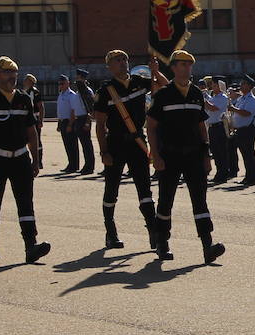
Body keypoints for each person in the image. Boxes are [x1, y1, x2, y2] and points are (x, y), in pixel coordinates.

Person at [146, 50, 225, 264]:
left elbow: (202, 127)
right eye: (182, 64)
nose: (186, 68)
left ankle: (207, 245)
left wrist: (207, 155)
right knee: (165, 200)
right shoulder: (163, 95)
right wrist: (155, 155)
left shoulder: (196, 94)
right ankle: (162, 242)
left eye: (189, 64)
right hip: (169, 155)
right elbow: (151, 127)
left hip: (194, 155)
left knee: (200, 201)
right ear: (173, 68)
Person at [0, 56, 50, 263]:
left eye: (14, 73)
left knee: (26, 203)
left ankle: (30, 246)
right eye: (7, 73)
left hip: (20, 159)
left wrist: (36, 159)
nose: (12, 77)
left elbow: (31, 131)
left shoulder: (25, 99)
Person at [92, 49, 159, 251]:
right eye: (117, 60)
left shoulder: (139, 81)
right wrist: (104, 152)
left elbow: (163, 88)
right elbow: (100, 125)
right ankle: (110, 232)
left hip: (138, 141)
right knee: (111, 189)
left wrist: (156, 71)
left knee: (144, 188)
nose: (122, 63)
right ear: (109, 67)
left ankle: (153, 231)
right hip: (116, 144)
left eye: (124, 59)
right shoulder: (106, 91)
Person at [229, 74, 255, 185]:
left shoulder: (251, 99)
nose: (241, 86)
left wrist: (233, 108)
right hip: (241, 129)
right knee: (245, 154)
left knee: (249, 154)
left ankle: (253, 177)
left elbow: (247, 113)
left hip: (248, 129)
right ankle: (248, 176)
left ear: (249, 86)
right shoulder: (241, 98)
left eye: (243, 84)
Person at [204, 77, 235, 182]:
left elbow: (214, 108)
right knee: (216, 152)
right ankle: (219, 172)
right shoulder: (214, 97)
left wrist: (203, 100)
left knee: (221, 151)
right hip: (212, 126)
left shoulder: (223, 97)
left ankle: (223, 173)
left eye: (214, 84)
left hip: (219, 126)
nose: (212, 86)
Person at [55, 75, 84, 173]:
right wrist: (59, 123)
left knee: (72, 144)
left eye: (62, 83)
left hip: (69, 121)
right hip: (63, 121)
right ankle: (70, 164)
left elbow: (73, 110)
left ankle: (74, 165)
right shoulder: (61, 94)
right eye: (59, 83)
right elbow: (60, 110)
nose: (60, 85)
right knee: (67, 145)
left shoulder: (71, 95)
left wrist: (70, 125)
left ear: (68, 83)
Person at [73, 69, 97, 174]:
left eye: (78, 77)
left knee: (87, 145)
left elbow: (90, 108)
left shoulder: (87, 91)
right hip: (79, 118)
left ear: (83, 78)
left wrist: (87, 122)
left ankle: (89, 167)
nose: (76, 79)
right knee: (84, 145)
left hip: (84, 119)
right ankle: (87, 165)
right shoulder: (80, 91)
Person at [21, 73, 45, 169]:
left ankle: (39, 161)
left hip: (34, 118)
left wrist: (40, 120)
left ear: (30, 82)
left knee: (36, 140)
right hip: (27, 118)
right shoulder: (25, 91)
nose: (24, 82)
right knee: (27, 140)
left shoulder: (35, 92)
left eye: (26, 80)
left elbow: (41, 107)